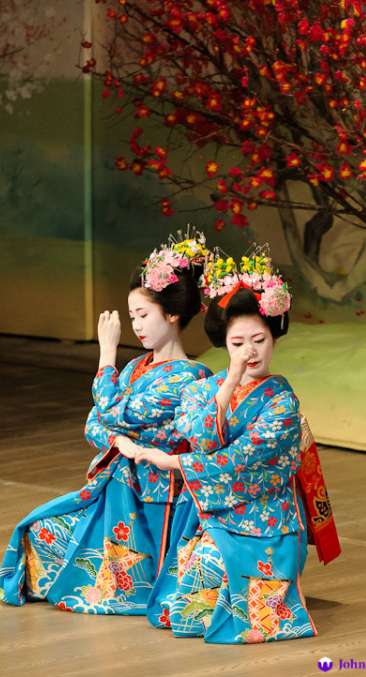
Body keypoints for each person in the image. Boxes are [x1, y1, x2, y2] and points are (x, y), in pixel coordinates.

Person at [0, 232, 212, 614]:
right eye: (131, 317)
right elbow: (93, 424)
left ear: (173, 314)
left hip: (154, 497)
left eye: (143, 316)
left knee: (109, 570)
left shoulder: (189, 377)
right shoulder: (134, 368)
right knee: (37, 532)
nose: (136, 326)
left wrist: (106, 355)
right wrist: (121, 442)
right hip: (118, 484)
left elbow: (111, 412)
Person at [138, 248, 340, 643]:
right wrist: (229, 383)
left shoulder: (282, 401)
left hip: (266, 522)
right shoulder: (205, 389)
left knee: (212, 578)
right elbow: (200, 436)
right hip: (212, 516)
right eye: (238, 343)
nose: (249, 351)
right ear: (224, 346)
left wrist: (178, 465)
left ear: (274, 339)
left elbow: (240, 459)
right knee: (183, 602)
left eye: (259, 340)